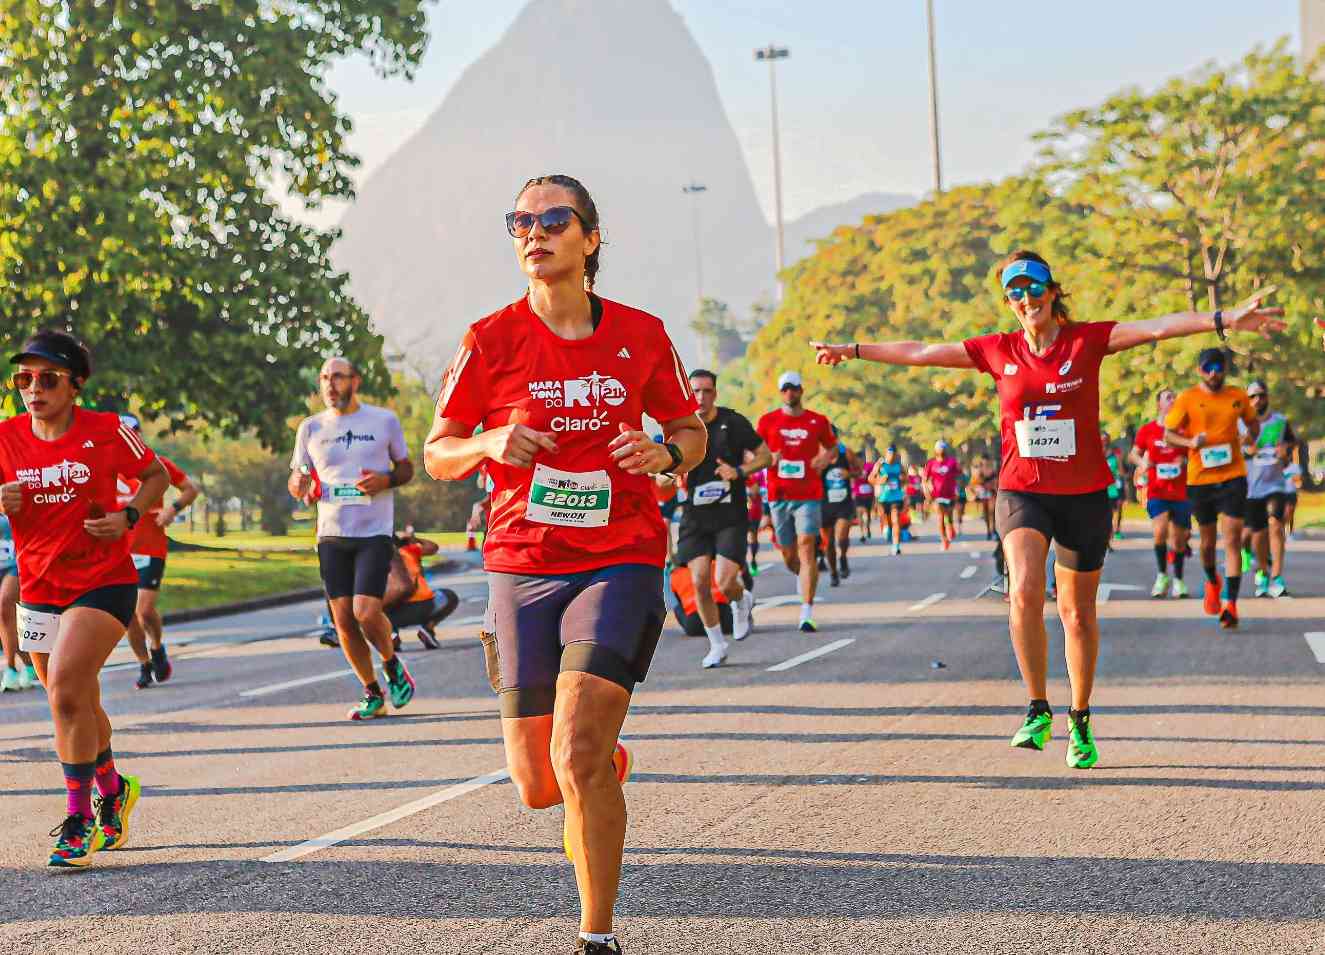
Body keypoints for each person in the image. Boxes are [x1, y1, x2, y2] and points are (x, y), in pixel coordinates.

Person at [813, 250, 1284, 769]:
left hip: (1083, 494)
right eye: (1014, 291)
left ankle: (1079, 717)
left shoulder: (1087, 341)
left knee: (1077, 615)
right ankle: (1037, 707)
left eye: (1033, 286)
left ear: (1052, 290)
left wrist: (1223, 319)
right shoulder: (999, 350)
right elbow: (923, 351)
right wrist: (853, 350)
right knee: (1024, 589)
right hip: (1024, 491)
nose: (1025, 298)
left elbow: (1157, 328)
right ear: (1008, 301)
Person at [424, 174, 706, 955]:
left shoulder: (641, 334)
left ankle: (596, 934)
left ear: (590, 238)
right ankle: (599, 759)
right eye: (519, 220)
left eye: (553, 219)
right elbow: (436, 451)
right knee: (537, 783)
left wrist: (664, 452)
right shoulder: (489, 338)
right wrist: (485, 441)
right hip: (522, 562)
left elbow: (688, 429)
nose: (532, 232)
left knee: (574, 750)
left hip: (620, 555)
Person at [1, 329, 171, 866]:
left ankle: (77, 821)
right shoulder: (5, 438)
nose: (33, 388)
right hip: (38, 586)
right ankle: (114, 788)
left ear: (75, 384)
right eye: (23, 379)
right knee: (73, 701)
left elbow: (155, 474)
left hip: (103, 580)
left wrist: (128, 516)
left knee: (68, 689)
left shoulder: (105, 431)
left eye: (47, 378)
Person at [289, 357, 418, 720]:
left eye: (338, 377)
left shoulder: (383, 421)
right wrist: (299, 484)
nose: (330, 385)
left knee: (365, 611)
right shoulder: (310, 428)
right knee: (343, 620)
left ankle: (392, 665)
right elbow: (298, 477)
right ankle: (372, 692)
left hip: (373, 531)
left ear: (355, 381)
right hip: (330, 533)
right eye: (325, 378)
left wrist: (386, 480)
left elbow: (406, 468)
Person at [674, 369, 769, 668]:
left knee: (725, 581)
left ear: (715, 393)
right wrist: (669, 474)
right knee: (700, 581)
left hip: (730, 515)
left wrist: (739, 472)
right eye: (696, 392)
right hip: (695, 517)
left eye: (707, 391)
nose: (701, 397)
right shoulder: (679, 426)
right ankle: (717, 644)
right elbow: (664, 465)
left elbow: (767, 456)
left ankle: (741, 599)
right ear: (688, 394)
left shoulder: (734, 422)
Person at [1164, 348, 1260, 630]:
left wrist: (1249, 439)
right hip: (1200, 479)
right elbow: (1168, 435)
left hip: (1232, 476)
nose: (1214, 372)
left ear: (1226, 368)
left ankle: (1230, 604)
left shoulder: (1237, 396)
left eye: (1218, 366)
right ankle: (1211, 580)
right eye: (1208, 368)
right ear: (1199, 370)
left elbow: (1253, 423)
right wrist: (1191, 443)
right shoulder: (1188, 399)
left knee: (1231, 540)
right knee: (1207, 544)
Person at [115, 415, 199, 690]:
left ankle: (157, 645)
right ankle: (144, 663)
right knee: (128, 614)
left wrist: (171, 510)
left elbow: (190, 489)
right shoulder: (106, 469)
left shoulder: (156, 464)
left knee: (145, 609)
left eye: (134, 432)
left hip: (150, 547)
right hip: (119, 551)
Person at [757, 371, 838, 633]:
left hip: (809, 495)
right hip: (779, 495)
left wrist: (823, 460)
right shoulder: (768, 421)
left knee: (806, 546)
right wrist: (770, 457)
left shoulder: (817, 421)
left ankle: (807, 610)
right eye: (785, 389)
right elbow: (753, 452)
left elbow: (833, 447)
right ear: (780, 393)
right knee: (789, 554)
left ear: (801, 390)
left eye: (793, 388)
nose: (789, 393)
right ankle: (802, 575)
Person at [1130, 389, 1192, 598]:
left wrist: (1184, 461)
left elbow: (1194, 454)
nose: (1173, 400)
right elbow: (1134, 454)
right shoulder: (1148, 430)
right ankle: (1162, 575)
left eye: (1175, 397)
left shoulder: (1184, 430)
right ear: (1159, 404)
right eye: (1168, 397)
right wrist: (1143, 462)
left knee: (1179, 539)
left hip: (1181, 491)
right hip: (1157, 490)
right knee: (1160, 531)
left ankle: (1179, 580)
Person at [1240, 380, 1296, 598]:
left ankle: (1277, 576)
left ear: (1267, 397)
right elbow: (1233, 449)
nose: (1257, 400)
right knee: (1257, 534)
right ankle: (1262, 572)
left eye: (1261, 395)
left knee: (1275, 525)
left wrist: (1285, 452)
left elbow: (1291, 443)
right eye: (1252, 397)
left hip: (1275, 485)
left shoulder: (1280, 422)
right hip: (1250, 487)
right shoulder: (1241, 424)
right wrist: (1248, 450)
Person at [389, 528, 460, 648]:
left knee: (369, 607)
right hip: (424, 606)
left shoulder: (373, 559)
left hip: (391, 613)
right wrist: (413, 539)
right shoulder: (409, 550)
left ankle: (391, 634)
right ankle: (427, 628)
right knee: (449, 596)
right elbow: (433, 547)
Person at [1, 513, 38, 692]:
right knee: (5, 620)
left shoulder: (11, 488)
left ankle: (10, 669)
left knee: (5, 604)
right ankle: (30, 664)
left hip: (16, 561)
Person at [819, 430, 858, 586]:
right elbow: (809, 475)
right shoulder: (817, 455)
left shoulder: (846, 452)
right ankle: (834, 573)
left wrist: (849, 474)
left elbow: (859, 471)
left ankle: (843, 557)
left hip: (844, 503)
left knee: (841, 537)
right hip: (824, 503)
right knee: (828, 543)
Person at [922, 440, 961, 550]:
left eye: (943, 448)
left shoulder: (952, 462)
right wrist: (927, 493)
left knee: (948, 516)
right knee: (940, 517)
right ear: (936, 450)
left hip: (950, 495)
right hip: (937, 495)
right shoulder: (931, 463)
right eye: (939, 448)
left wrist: (959, 490)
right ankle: (944, 540)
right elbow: (924, 480)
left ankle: (951, 526)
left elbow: (960, 475)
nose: (941, 450)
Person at [872, 445, 907, 555]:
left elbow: (906, 479)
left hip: (896, 497)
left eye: (893, 454)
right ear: (886, 454)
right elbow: (871, 478)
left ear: (896, 454)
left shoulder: (899, 466)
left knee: (896, 520)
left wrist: (903, 479)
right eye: (889, 453)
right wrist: (880, 480)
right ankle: (887, 528)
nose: (891, 456)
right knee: (886, 520)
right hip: (883, 498)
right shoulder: (880, 465)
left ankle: (896, 546)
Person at [1103, 433, 1126, 542]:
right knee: (1106, 511)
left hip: (1115, 486)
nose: (1104, 442)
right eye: (1102, 440)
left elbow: (1121, 472)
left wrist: (1123, 482)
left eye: (1106, 439)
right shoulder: (1097, 455)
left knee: (1117, 509)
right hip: (1103, 487)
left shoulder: (1115, 455)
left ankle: (1116, 530)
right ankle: (1108, 531)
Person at [969, 454, 997, 540]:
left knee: (992, 512)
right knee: (986, 513)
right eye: (984, 461)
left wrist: (993, 485)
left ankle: (994, 530)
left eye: (987, 461)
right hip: (982, 494)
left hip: (991, 493)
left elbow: (996, 480)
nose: (985, 463)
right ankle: (988, 531)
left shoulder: (992, 470)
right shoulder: (978, 470)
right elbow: (973, 482)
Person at [852, 456, 875, 542]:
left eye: (860, 459)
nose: (859, 461)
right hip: (858, 494)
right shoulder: (853, 467)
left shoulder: (869, 466)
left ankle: (868, 527)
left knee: (867, 514)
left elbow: (874, 476)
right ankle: (862, 533)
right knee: (859, 513)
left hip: (868, 494)